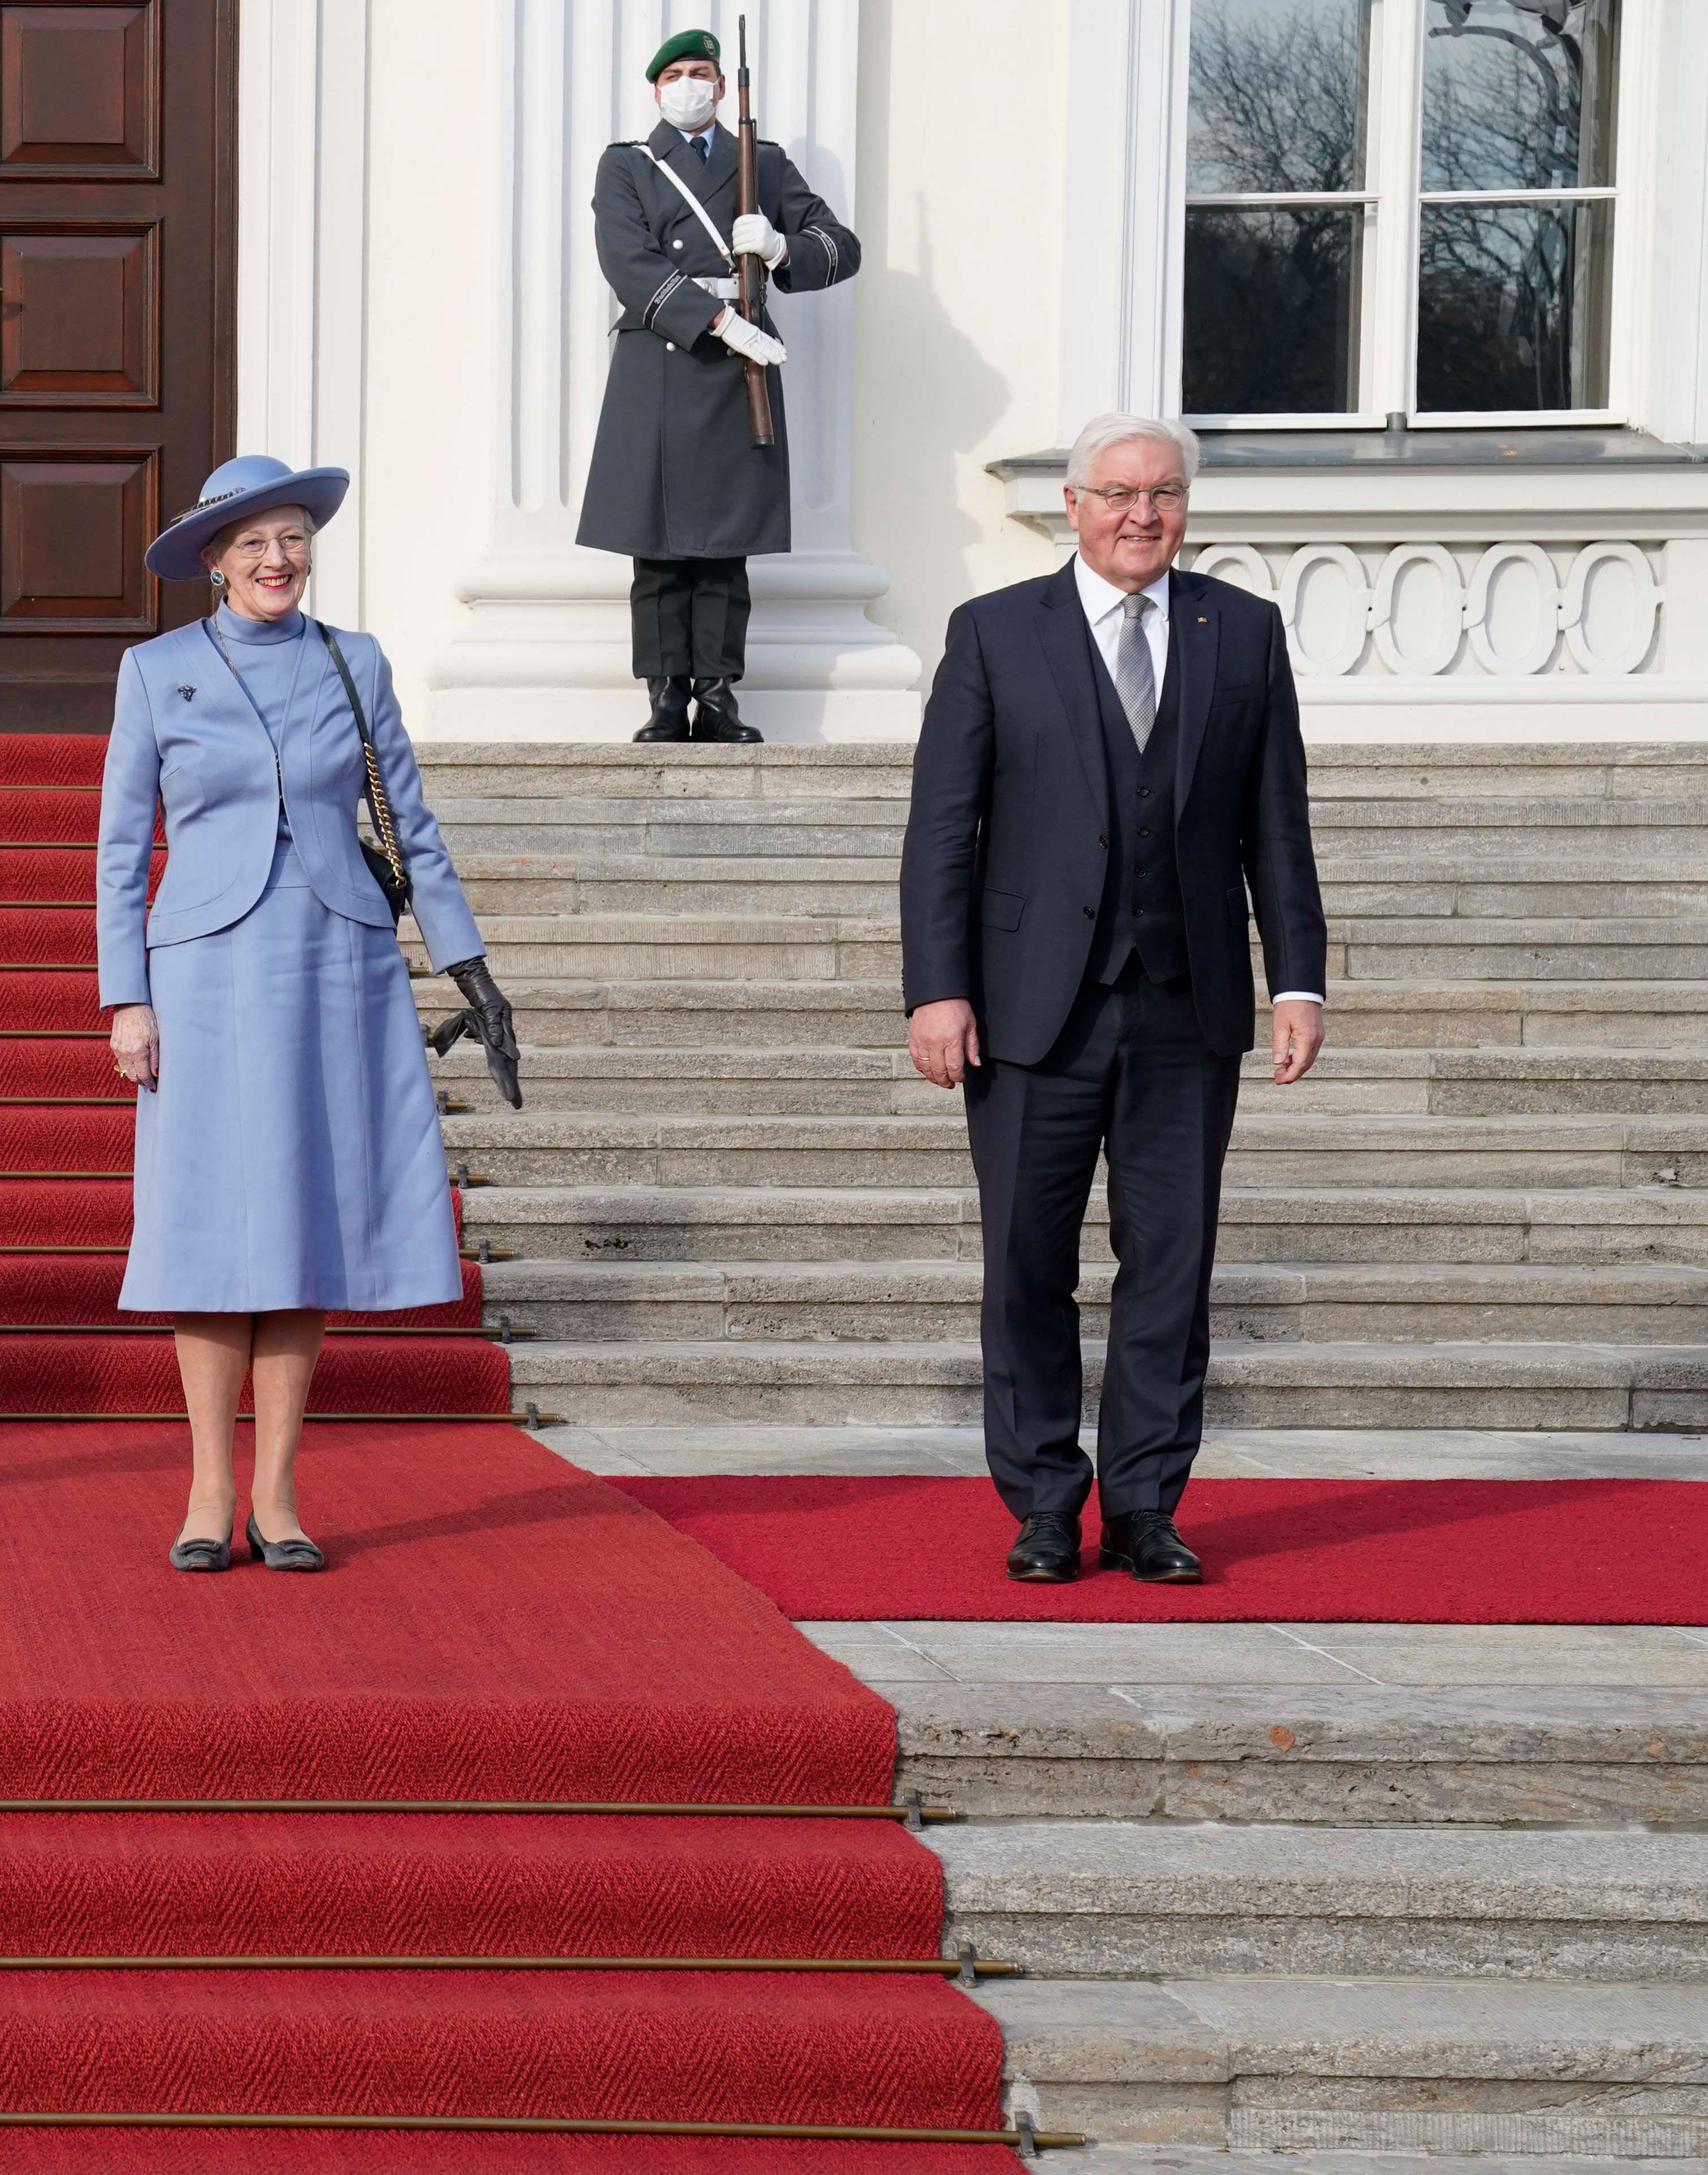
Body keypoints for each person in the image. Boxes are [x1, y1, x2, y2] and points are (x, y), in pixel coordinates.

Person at [899, 413, 1327, 1588]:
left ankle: (1145, 1503)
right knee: (1027, 1263)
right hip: (1032, 1010)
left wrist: (1298, 975)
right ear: (1073, 504)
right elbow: (944, 826)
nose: (1144, 515)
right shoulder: (994, 633)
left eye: (1166, 494)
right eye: (1120, 493)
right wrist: (936, 988)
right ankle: (1044, 1500)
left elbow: (1275, 824)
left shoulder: (1241, 631)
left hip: (1190, 1009)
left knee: (1173, 1265)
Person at [99, 454, 517, 1576]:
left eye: (291, 538)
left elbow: (410, 824)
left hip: (339, 958)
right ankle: (206, 1490)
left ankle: (278, 1495)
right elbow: (120, 848)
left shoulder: (355, 661)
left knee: (305, 1224)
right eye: (253, 543)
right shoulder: (157, 671)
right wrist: (125, 996)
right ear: (214, 560)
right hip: (200, 969)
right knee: (206, 1227)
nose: (277, 559)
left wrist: (468, 962)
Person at [575, 27, 861, 745]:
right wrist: (717, 322)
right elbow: (626, 261)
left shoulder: (759, 163)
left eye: (701, 72)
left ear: (724, 88)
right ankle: (667, 699)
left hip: (742, 369)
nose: (689, 85)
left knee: (724, 549)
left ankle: (720, 696)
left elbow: (841, 247)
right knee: (660, 547)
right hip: (665, 359)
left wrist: (782, 245)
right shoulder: (629, 167)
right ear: (655, 90)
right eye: (675, 75)